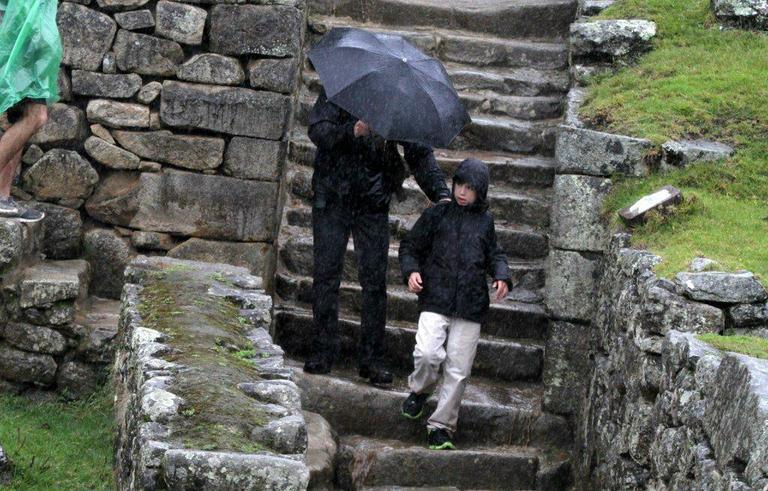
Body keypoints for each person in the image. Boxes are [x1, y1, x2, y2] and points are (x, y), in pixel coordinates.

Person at [304, 88, 452, 384]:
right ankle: (322, 350)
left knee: (374, 283)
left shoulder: (398, 102)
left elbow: (420, 154)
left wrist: (441, 194)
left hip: (372, 202)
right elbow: (317, 130)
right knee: (326, 275)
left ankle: (372, 359)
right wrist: (353, 130)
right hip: (331, 197)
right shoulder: (340, 91)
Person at [398, 158, 511, 450]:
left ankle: (441, 427)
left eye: (471, 188)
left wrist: (502, 276)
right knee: (426, 353)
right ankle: (420, 391)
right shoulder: (437, 214)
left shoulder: (486, 223)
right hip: (435, 296)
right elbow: (410, 246)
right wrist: (411, 271)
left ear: (481, 192)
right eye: (460, 185)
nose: (463, 192)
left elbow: (495, 254)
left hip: (470, 305)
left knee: (458, 370)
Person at [0, 0, 62, 221]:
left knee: (18, 116)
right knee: (36, 116)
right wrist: (37, 35)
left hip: (20, 27)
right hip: (19, 28)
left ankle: (3, 197)